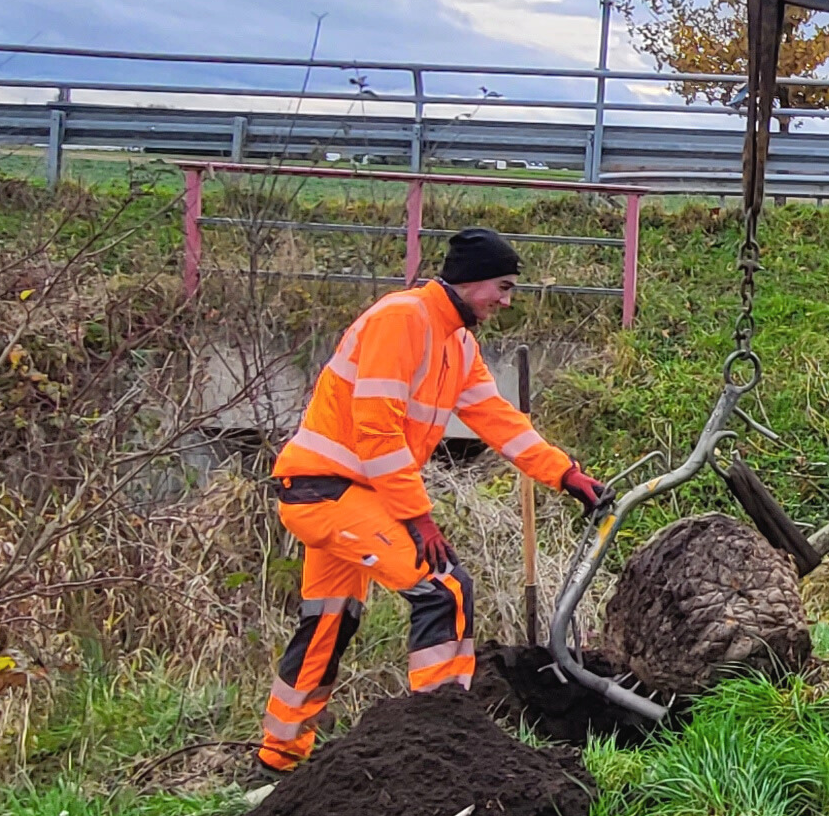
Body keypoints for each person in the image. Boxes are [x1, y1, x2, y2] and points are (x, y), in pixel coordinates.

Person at [254, 227, 607, 774]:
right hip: (328, 490)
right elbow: (376, 430)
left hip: (345, 492)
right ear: (470, 281)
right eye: (503, 287)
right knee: (443, 587)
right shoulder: (403, 320)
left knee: (330, 620)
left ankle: (277, 758)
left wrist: (564, 474)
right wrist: (418, 519)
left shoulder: (457, 343)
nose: (506, 301)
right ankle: (437, 748)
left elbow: (498, 421)